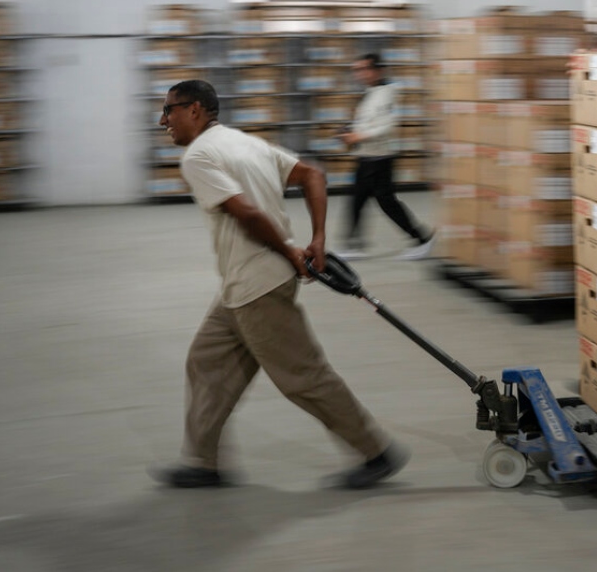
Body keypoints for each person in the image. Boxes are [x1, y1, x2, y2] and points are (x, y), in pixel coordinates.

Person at [150, 79, 408, 489]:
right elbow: (313, 175)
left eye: (169, 110)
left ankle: (376, 452)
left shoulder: (198, 156)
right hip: (243, 284)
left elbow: (246, 214)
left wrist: (294, 251)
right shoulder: (242, 143)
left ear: (195, 109)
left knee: (303, 377)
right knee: (207, 361)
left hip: (260, 286)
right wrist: (317, 239)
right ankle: (201, 461)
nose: (163, 120)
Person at [337, 53, 435, 261]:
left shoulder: (388, 94)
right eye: (356, 70)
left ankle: (422, 238)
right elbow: (368, 121)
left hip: (379, 159)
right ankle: (353, 245)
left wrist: (358, 135)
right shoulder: (371, 93)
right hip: (367, 156)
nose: (359, 74)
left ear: (377, 70)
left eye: (363, 69)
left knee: (387, 203)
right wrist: (349, 131)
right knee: (357, 200)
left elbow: (387, 126)